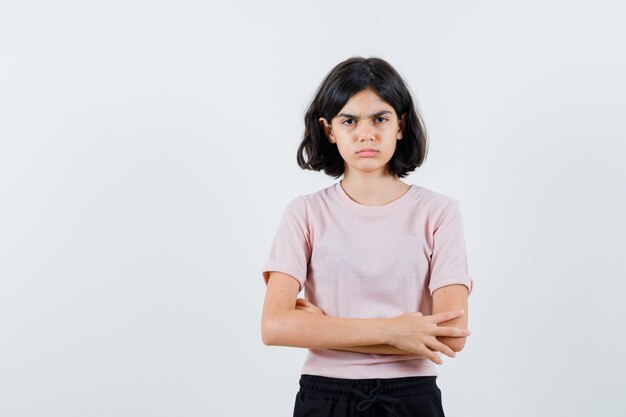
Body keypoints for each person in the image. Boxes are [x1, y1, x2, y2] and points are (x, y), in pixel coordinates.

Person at [260, 56, 474, 417]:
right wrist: (394, 331)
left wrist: (319, 328)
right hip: (324, 396)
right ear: (329, 131)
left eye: (380, 118)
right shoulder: (305, 213)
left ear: (401, 125)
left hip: (412, 397)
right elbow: (275, 326)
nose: (366, 133)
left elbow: (451, 334)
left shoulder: (439, 212)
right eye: (349, 120)